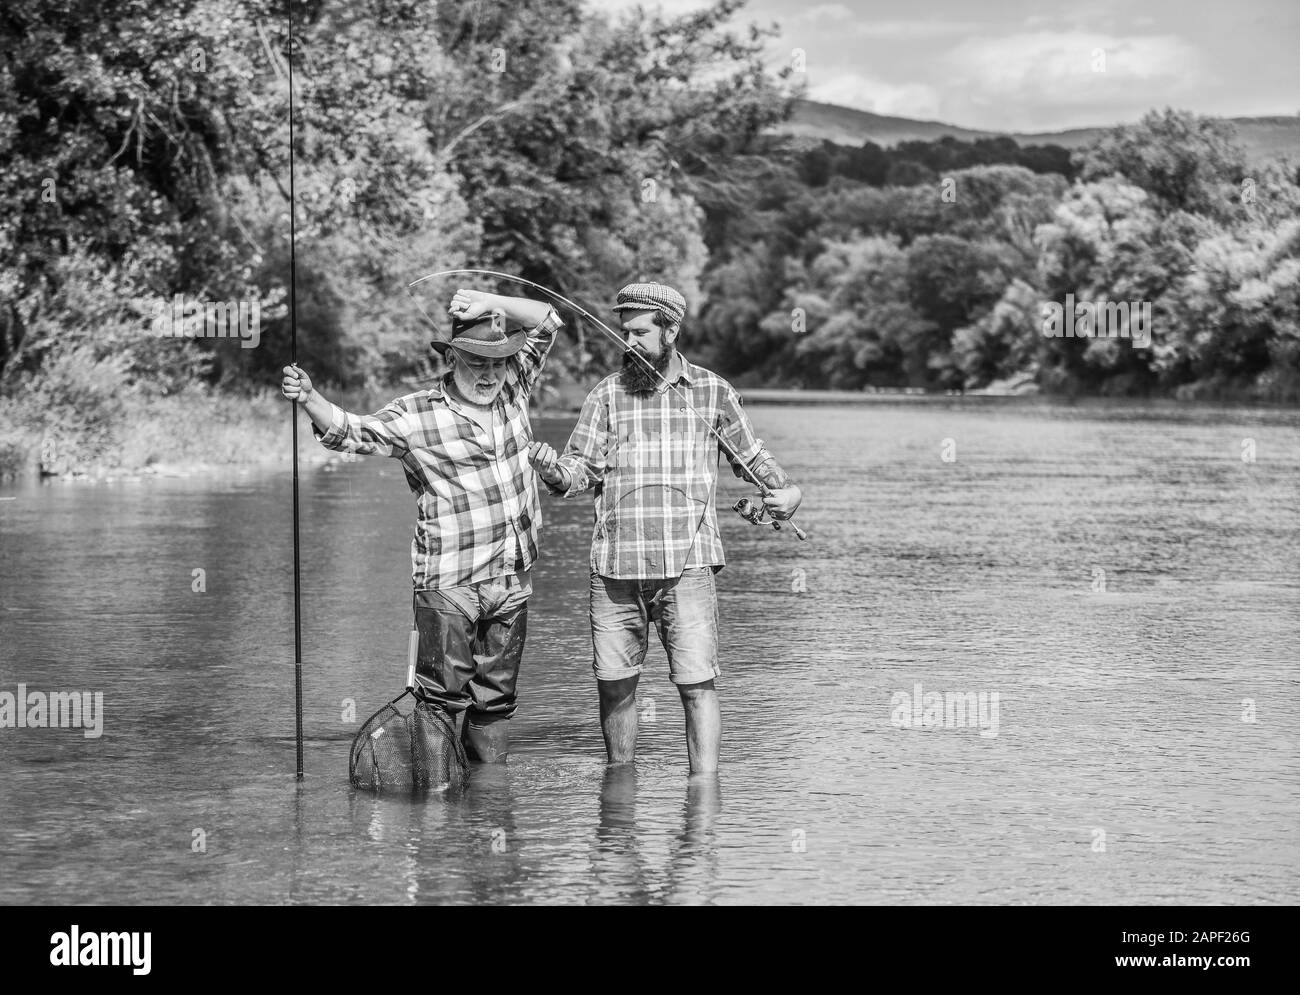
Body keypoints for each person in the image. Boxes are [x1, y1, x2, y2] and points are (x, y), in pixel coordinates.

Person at [527, 282, 802, 773]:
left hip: (689, 566)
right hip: (614, 567)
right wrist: (551, 470)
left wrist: (786, 490)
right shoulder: (606, 395)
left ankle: (703, 791)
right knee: (614, 683)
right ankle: (619, 790)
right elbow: (577, 470)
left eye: (639, 333)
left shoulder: (713, 391)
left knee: (697, 683)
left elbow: (751, 456)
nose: (628, 342)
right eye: (623, 333)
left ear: (671, 330)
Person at [281, 289, 561, 763]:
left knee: (496, 703)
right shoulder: (416, 413)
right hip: (448, 585)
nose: (491, 374)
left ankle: (488, 803)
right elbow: (350, 432)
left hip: (511, 580)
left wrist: (487, 300)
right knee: (438, 703)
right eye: (477, 362)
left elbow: (548, 320)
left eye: (499, 362)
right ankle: (438, 813)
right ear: (452, 357)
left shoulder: (515, 385)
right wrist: (310, 398)